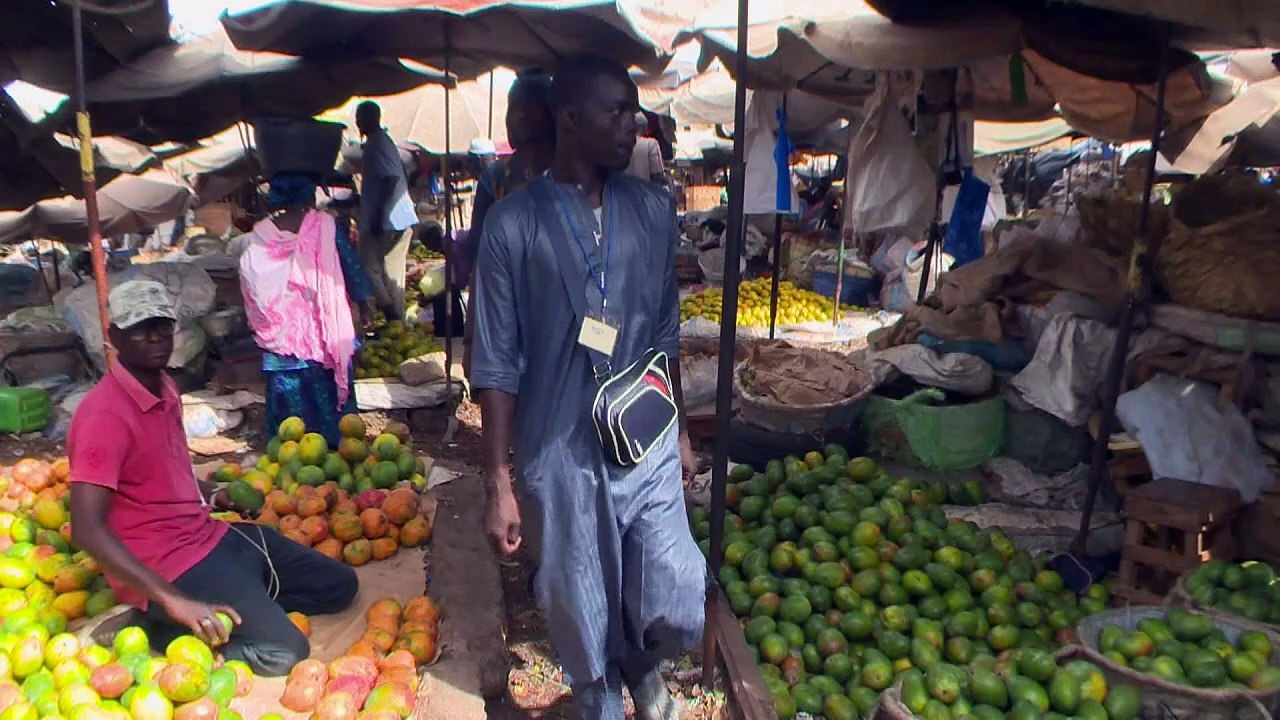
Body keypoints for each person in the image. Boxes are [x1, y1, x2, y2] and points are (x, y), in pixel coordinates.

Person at [470, 54, 705, 720]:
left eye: (634, 111)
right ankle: (598, 692)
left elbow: (664, 326)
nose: (632, 124)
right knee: (578, 591)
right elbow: (495, 358)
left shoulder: (653, 209)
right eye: (616, 111)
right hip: (559, 442)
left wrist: (682, 429)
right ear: (569, 119)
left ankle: (639, 662)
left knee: (673, 584)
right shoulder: (514, 223)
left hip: (644, 433)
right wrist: (500, 482)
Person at [68, 280, 358, 677]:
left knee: (339, 585)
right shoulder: (103, 415)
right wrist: (173, 600)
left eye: (161, 326)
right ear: (114, 335)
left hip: (210, 537)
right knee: (283, 650)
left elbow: (161, 474)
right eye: (138, 329)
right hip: (169, 565)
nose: (154, 338)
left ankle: (240, 602)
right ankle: (158, 628)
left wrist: (212, 493)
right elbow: (85, 529)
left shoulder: (165, 386)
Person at [240, 172, 374, 448]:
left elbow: (250, 277)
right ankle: (337, 449)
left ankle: (289, 454)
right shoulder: (326, 226)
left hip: (282, 340)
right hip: (324, 333)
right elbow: (351, 267)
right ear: (309, 195)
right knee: (328, 393)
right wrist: (364, 303)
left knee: (289, 402)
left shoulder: (261, 234)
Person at [463, 68, 556, 376]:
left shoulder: (572, 176)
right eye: (514, 107)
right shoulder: (495, 179)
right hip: (506, 311)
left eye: (530, 106)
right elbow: (480, 260)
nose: (520, 116)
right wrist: (472, 340)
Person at [356, 101, 418, 321]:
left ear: (370, 119)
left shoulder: (377, 143)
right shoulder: (384, 142)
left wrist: (379, 215)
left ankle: (389, 312)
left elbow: (390, 178)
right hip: (400, 218)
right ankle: (397, 321)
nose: (357, 123)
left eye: (359, 118)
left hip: (386, 220)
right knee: (393, 275)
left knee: (368, 267)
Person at [625, 112, 666, 186]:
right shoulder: (650, 144)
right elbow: (657, 175)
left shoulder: (620, 144)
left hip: (621, 194)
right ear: (644, 128)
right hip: (644, 194)